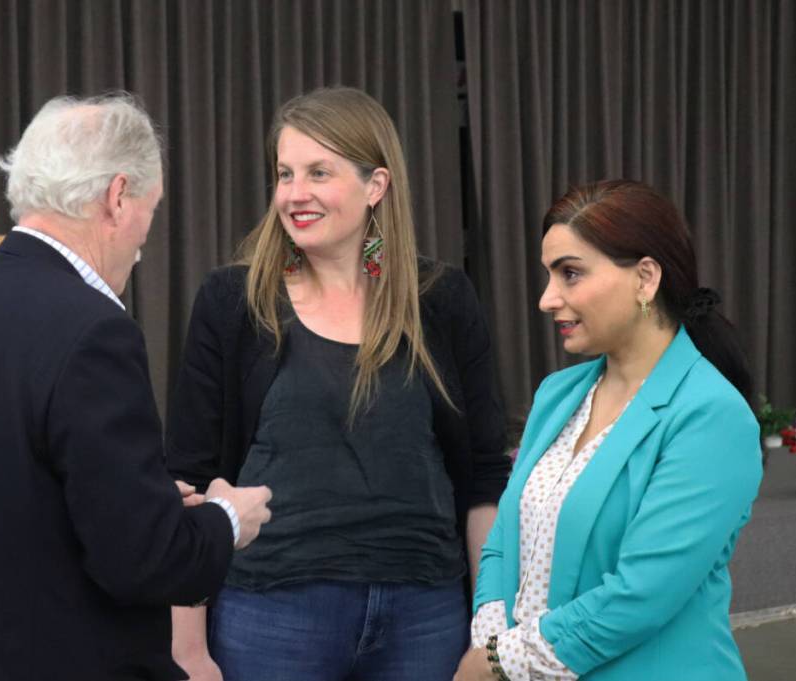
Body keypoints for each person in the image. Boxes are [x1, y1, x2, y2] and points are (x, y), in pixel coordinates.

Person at [0, 94, 272, 681]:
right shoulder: (95, 331)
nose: (146, 240)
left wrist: (138, 496)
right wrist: (226, 518)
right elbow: (145, 562)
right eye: (151, 208)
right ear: (118, 196)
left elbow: (1, 495)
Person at [166, 86, 511, 681]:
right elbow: (187, 480)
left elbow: (484, 476)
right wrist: (189, 651)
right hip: (271, 613)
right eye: (285, 174)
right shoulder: (232, 301)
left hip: (424, 614)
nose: (295, 194)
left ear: (375, 185)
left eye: (318, 173)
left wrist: (490, 632)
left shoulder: (442, 299)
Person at [455, 180, 761, 681]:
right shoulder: (559, 394)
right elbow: (503, 541)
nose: (547, 299)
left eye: (570, 274)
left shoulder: (710, 415)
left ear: (645, 278)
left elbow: (641, 594)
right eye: (549, 275)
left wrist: (498, 663)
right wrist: (490, 636)